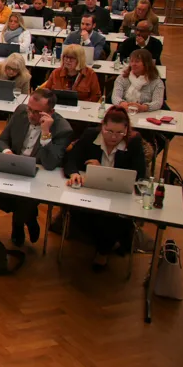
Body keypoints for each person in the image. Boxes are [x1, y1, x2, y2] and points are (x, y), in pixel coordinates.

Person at [64, 107, 146, 271]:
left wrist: (102, 170)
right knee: (77, 210)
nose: (114, 137)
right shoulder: (90, 135)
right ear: (102, 126)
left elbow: (140, 174)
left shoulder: (134, 142)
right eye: (109, 131)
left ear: (126, 130)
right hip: (91, 190)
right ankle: (107, 243)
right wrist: (73, 173)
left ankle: (103, 251)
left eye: (119, 133)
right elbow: (71, 159)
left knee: (114, 218)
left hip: (119, 194)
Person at [0, 89, 73, 246]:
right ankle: (29, 217)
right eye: (30, 109)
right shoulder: (21, 111)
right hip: (12, 165)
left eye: (37, 112)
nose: (31, 115)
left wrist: (46, 133)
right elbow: (1, 140)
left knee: (24, 200)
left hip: (38, 174)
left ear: (50, 112)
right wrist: (7, 152)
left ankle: (18, 225)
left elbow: (49, 164)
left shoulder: (63, 129)